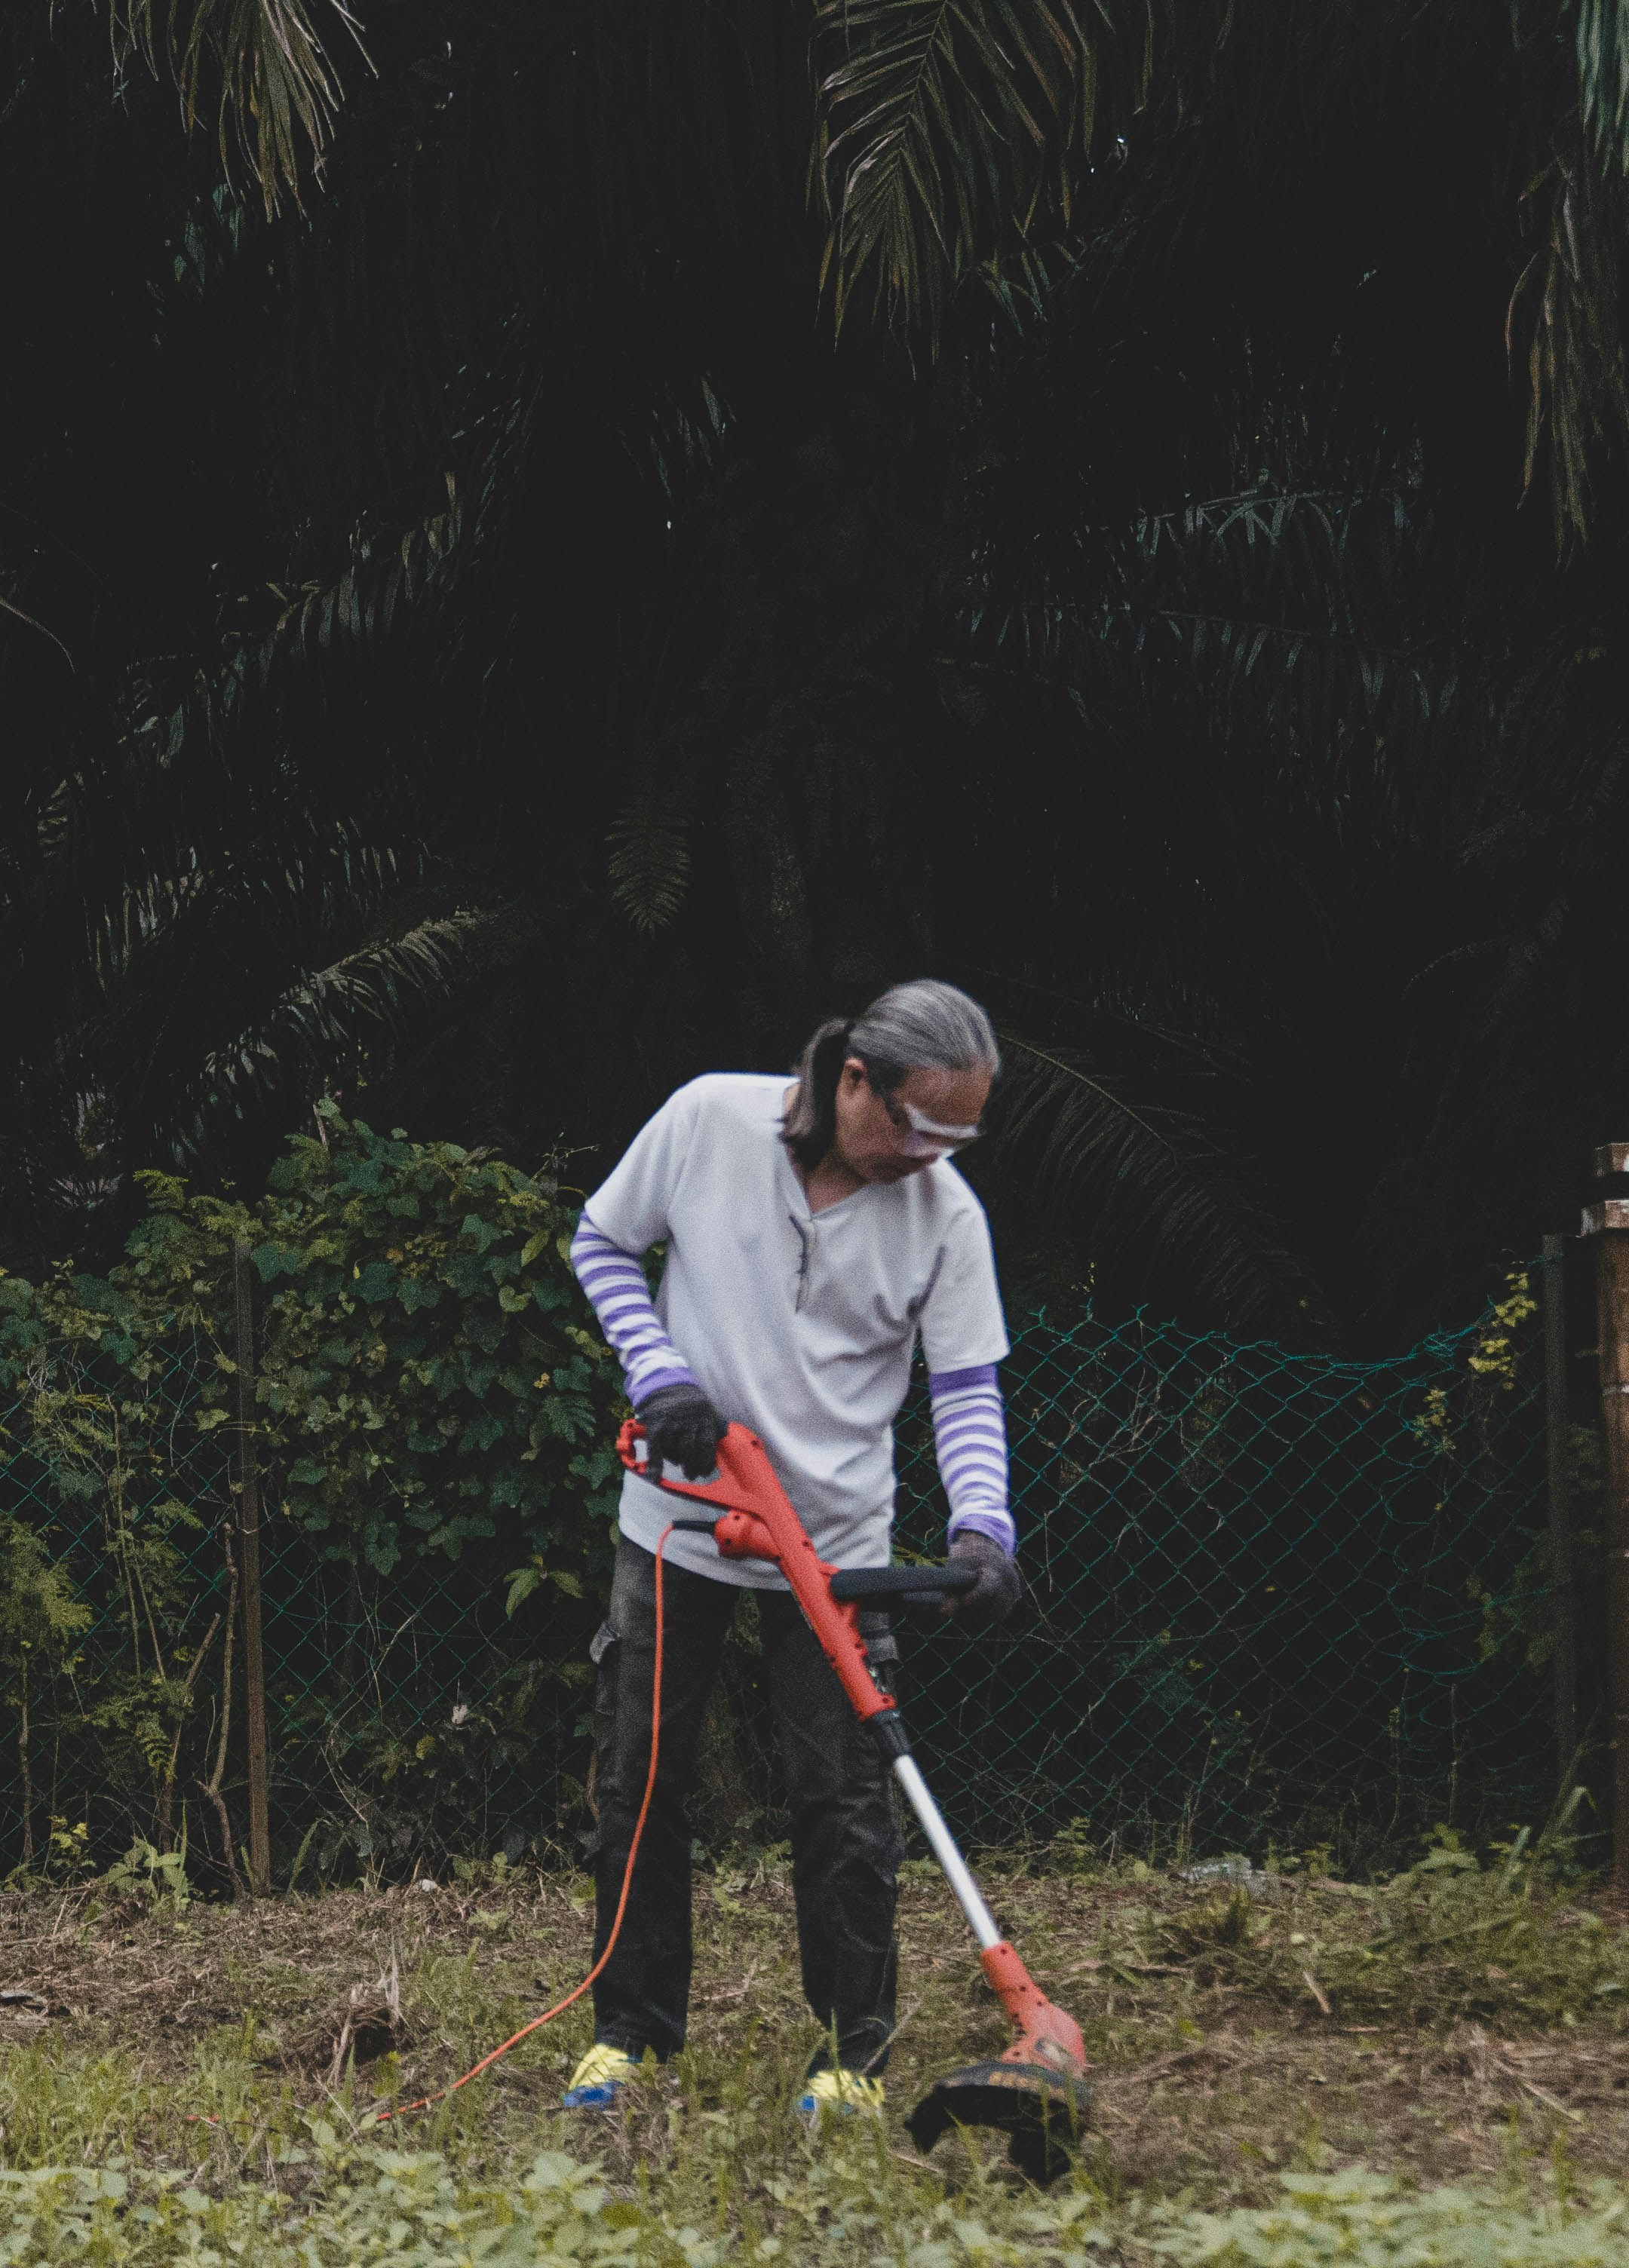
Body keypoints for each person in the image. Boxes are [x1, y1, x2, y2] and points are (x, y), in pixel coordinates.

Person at [563, 979, 1022, 2122]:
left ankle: (850, 2061)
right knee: (641, 1783)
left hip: (835, 1546)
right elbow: (603, 1243)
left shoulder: (946, 1216)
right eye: (916, 1126)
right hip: (679, 1518)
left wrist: (984, 1527)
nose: (930, 1156)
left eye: (956, 1137)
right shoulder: (709, 1121)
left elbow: (965, 1388)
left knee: (845, 1803)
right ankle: (632, 2036)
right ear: (851, 1080)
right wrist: (660, 1374)